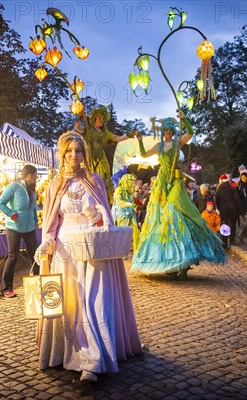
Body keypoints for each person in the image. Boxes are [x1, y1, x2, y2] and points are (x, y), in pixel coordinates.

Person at [34, 131, 142, 382]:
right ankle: (67, 353)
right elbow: (51, 221)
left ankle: (93, 359)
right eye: (69, 151)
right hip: (65, 252)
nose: (74, 155)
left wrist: (94, 215)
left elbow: (106, 221)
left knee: (95, 302)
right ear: (63, 154)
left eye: (78, 151)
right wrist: (46, 242)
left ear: (84, 153)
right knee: (70, 304)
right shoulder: (54, 185)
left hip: (94, 250)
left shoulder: (95, 181)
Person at [131, 113, 226, 279]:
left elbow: (190, 133)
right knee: (161, 217)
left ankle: (183, 261)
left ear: (173, 131)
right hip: (162, 181)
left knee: (178, 213)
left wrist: (184, 120)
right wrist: (139, 140)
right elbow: (144, 154)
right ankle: (169, 260)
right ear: (163, 132)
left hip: (175, 181)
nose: (167, 132)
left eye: (170, 130)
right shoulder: (160, 146)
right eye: (165, 130)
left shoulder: (177, 143)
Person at [74, 106, 136, 204]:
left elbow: (118, 138)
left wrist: (130, 134)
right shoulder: (87, 129)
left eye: (103, 118)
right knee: (89, 181)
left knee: (102, 180)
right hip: (89, 160)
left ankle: (104, 202)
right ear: (94, 118)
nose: (102, 120)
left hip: (101, 160)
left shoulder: (105, 132)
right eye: (99, 118)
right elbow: (77, 127)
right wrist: (81, 116)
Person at [0, 164, 39, 298]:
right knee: (13, 256)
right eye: (36, 175)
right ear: (29, 175)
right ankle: (6, 288)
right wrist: (11, 213)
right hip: (14, 227)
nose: (37, 178)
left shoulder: (33, 191)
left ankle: (38, 283)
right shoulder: (14, 187)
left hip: (30, 228)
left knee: (35, 255)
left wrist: (36, 221)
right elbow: (0, 203)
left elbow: (33, 209)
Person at [111, 173, 140, 250]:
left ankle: (137, 253)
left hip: (131, 214)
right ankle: (122, 253)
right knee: (123, 235)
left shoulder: (130, 190)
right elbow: (120, 202)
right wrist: (131, 205)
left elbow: (134, 199)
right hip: (122, 215)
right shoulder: (118, 190)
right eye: (131, 182)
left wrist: (136, 191)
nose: (132, 184)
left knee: (136, 233)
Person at [215, 174, 241, 249]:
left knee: (225, 226)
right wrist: (239, 209)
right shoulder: (232, 188)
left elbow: (217, 200)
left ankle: (225, 243)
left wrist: (219, 209)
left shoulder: (219, 189)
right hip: (233, 209)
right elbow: (237, 199)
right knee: (233, 224)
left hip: (224, 210)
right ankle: (232, 240)